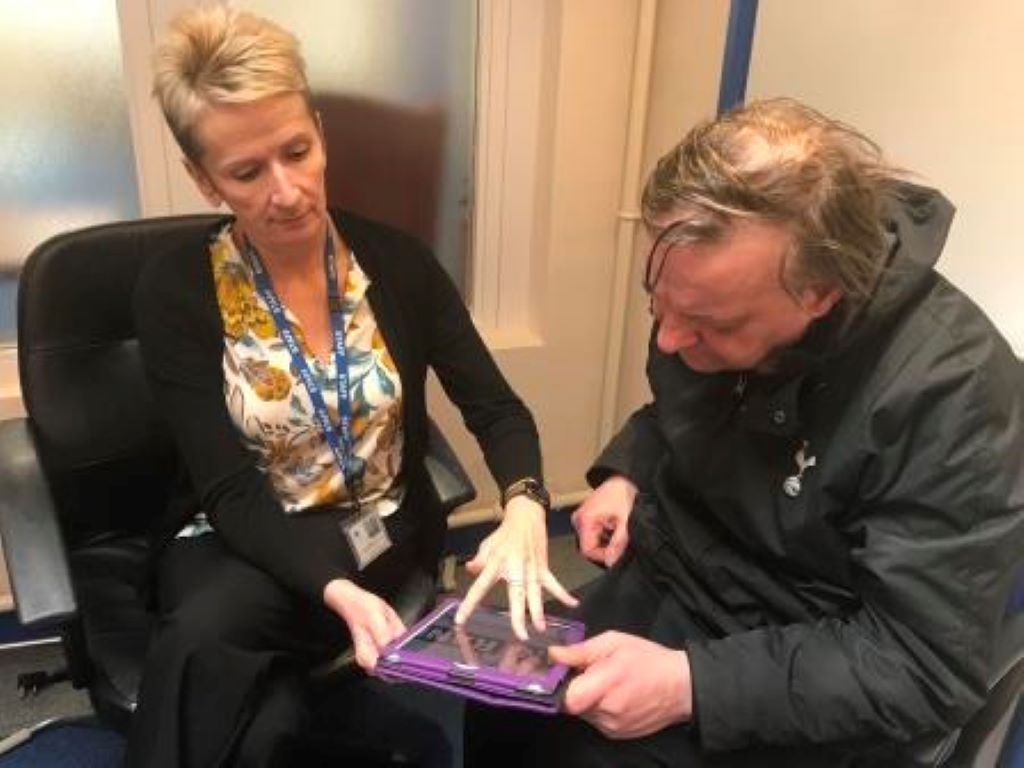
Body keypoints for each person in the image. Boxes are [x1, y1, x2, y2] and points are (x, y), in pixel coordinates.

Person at [465, 98, 1024, 767]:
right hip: (674, 578)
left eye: (711, 325)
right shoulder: (703, 294)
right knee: (498, 697)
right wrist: (631, 468)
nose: (670, 338)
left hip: (806, 651)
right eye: (658, 305)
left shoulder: (955, 392)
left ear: (819, 294)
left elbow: (923, 665)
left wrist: (693, 686)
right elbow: (690, 412)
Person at [128, 6, 575, 766]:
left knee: (228, 682)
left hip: (382, 535)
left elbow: (495, 407)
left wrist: (528, 499)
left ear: (320, 133)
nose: (288, 191)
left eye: (297, 151)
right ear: (204, 180)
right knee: (225, 666)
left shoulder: (398, 262)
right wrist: (332, 588)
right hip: (254, 539)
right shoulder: (175, 289)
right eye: (246, 172)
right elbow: (230, 490)